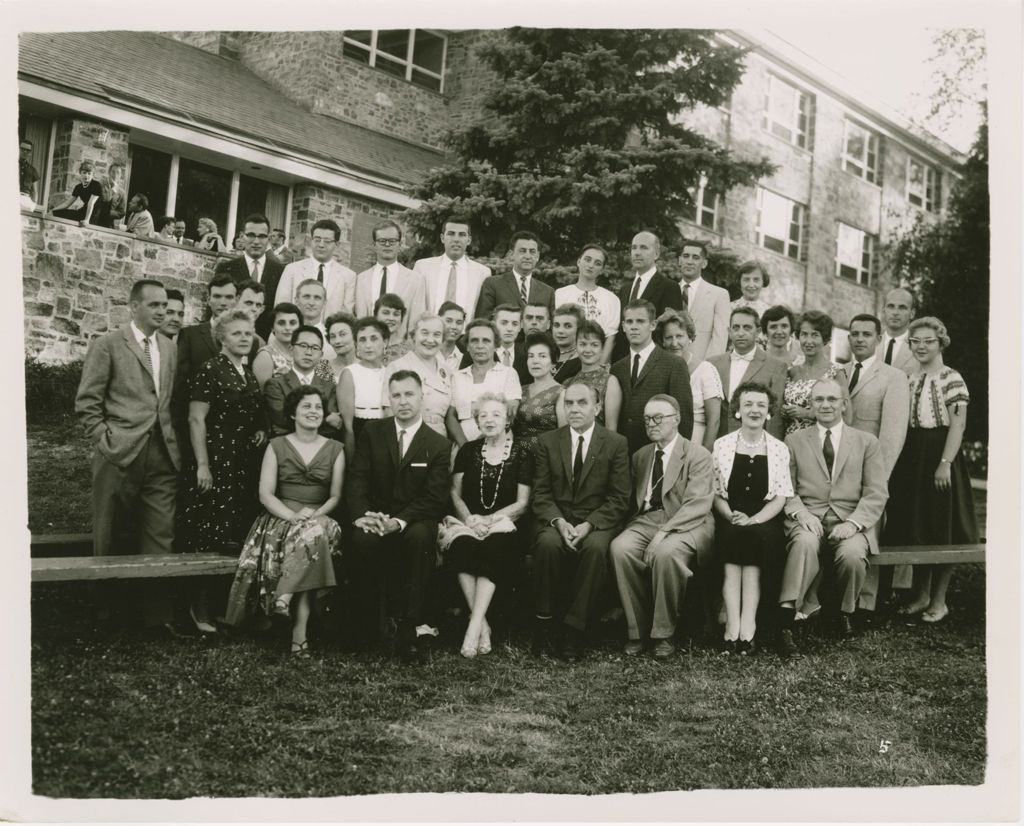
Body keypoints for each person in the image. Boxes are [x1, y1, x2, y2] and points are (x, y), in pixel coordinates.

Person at [74, 279, 180, 633]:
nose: (163, 311)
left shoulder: (169, 347)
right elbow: (88, 402)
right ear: (133, 307)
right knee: (111, 531)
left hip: (162, 454)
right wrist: (105, 440)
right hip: (119, 452)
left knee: (159, 533)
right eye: (155, 305)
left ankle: (157, 615)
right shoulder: (107, 345)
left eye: (165, 305)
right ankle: (107, 612)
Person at [225, 385, 345, 657]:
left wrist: (315, 515)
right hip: (281, 515)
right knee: (313, 540)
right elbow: (265, 495)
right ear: (292, 413)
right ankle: (299, 634)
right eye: (306, 406)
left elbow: (336, 495)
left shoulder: (336, 449)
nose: (313, 411)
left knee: (317, 533)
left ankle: (284, 597)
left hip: (319, 513)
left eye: (318, 407)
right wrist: (293, 516)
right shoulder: (276, 446)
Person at [777, 378, 888, 657]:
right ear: (811, 404)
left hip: (850, 518)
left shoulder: (866, 442)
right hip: (808, 516)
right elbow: (785, 488)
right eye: (819, 400)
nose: (825, 405)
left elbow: (876, 492)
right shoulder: (793, 441)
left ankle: (843, 612)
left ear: (843, 404)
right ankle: (787, 617)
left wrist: (852, 524)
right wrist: (801, 512)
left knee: (852, 554)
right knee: (804, 544)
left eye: (831, 399)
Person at [346, 371, 451, 658]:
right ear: (388, 399)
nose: (403, 401)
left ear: (422, 397)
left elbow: (434, 497)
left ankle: (411, 629)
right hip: (375, 515)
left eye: (409, 394)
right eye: (396, 395)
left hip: (415, 518)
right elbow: (358, 478)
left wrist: (399, 521)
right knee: (362, 540)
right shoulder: (373, 432)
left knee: (419, 539)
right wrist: (362, 515)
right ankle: (366, 630)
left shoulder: (438, 444)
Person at [883, 317, 979, 623]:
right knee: (918, 525)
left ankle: (939, 599)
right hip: (913, 455)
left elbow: (959, 424)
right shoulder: (907, 378)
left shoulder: (952, 378)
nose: (921, 347)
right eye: (916, 342)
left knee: (942, 525)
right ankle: (920, 594)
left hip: (940, 453)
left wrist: (945, 464)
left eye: (928, 341)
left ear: (941, 343)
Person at [531, 382, 631, 659]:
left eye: (582, 403)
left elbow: (619, 497)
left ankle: (573, 630)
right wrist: (559, 522)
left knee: (596, 548)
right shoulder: (548, 442)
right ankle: (544, 623)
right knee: (548, 545)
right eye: (569, 404)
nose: (574, 409)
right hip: (557, 520)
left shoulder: (615, 443)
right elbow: (540, 492)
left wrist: (589, 525)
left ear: (597, 407)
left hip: (596, 521)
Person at [610, 394, 715, 659]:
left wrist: (665, 532)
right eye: (647, 419)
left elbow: (698, 504)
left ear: (677, 419)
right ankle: (637, 629)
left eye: (658, 418)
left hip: (687, 522)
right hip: (647, 520)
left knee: (666, 554)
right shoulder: (641, 456)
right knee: (620, 548)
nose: (651, 424)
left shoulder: (698, 454)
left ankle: (663, 634)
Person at [445, 393, 533, 657]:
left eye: (496, 414)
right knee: (461, 546)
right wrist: (471, 519)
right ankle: (482, 625)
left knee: (494, 547)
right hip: (469, 521)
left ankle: (472, 626)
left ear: (508, 419)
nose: (489, 420)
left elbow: (523, 503)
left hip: (506, 523)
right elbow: (454, 493)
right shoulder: (468, 450)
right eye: (483, 415)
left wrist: (489, 520)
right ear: (477, 421)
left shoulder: (522, 452)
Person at [178, 309, 269, 558]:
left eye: (248, 333)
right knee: (210, 526)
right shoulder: (211, 369)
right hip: (216, 456)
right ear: (222, 338)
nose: (244, 338)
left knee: (234, 527)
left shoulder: (248, 375)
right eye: (236, 333)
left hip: (241, 459)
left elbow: (251, 412)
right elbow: (196, 418)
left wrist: (259, 429)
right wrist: (202, 465)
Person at [711, 383, 792, 654]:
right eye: (748, 404)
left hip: (764, 518)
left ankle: (749, 625)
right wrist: (731, 516)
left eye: (760, 405)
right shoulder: (721, 445)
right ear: (737, 410)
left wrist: (755, 520)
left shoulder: (779, 449)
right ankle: (732, 625)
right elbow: (715, 493)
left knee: (754, 539)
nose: (754, 410)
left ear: (769, 411)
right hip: (730, 515)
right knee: (735, 538)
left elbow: (780, 497)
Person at [843, 313, 911, 615]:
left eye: (866, 334)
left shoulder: (893, 377)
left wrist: (878, 477)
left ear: (879, 339)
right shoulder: (838, 373)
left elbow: (893, 433)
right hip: (838, 466)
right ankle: (837, 597)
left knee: (869, 529)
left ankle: (865, 603)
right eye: (854, 334)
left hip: (871, 469)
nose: (859, 339)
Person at [609, 300, 694, 455]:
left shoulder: (674, 364)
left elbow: (684, 418)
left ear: (653, 325)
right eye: (629, 322)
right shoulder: (617, 368)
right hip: (624, 455)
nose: (634, 326)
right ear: (623, 326)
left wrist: (677, 456)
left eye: (640, 321)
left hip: (660, 452)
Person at [173, 273, 238, 460]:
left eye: (229, 297)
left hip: (231, 427)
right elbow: (181, 383)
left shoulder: (247, 339)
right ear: (209, 300)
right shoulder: (190, 335)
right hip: (197, 424)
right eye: (217, 296)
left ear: (237, 300)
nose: (223, 302)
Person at [447, 318, 522, 447]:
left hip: (497, 443)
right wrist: (465, 446)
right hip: (462, 443)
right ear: (468, 347)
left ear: (496, 345)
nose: (480, 346)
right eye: (474, 341)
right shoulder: (457, 376)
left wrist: (485, 442)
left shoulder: (508, 373)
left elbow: (510, 413)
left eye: (486, 341)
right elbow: (450, 416)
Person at [657, 308, 723, 453]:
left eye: (679, 336)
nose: (674, 343)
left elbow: (714, 420)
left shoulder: (706, 370)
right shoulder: (659, 370)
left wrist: (703, 455)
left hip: (696, 442)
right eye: (669, 337)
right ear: (662, 341)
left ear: (690, 337)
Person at [612, 231, 683, 361]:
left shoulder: (669, 287)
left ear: (656, 253)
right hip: (622, 362)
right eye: (634, 248)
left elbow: (671, 331)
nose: (637, 252)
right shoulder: (624, 289)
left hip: (653, 363)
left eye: (644, 247)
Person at [263, 325, 342, 439]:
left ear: (321, 355)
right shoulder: (276, 385)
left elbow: (330, 430)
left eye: (315, 348)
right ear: (291, 348)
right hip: (287, 448)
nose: (308, 352)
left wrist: (291, 425)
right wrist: (327, 419)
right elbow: (281, 419)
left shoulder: (330, 387)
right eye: (303, 346)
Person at [782, 310, 852, 436]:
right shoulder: (791, 371)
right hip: (789, 441)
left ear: (824, 339)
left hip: (819, 442)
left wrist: (808, 414)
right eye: (804, 334)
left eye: (815, 335)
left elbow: (847, 417)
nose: (808, 341)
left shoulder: (835, 372)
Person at [216, 213, 285, 340]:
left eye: (262, 236)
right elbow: (216, 308)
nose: (256, 241)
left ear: (268, 239)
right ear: (242, 236)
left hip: (266, 341)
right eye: (251, 235)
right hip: (232, 339)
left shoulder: (280, 270)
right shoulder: (226, 268)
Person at [383, 313, 453, 437]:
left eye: (436, 335)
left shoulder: (447, 371)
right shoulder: (398, 366)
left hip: (440, 438)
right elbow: (388, 411)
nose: (430, 340)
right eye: (424, 333)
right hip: (409, 435)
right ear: (413, 336)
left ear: (442, 339)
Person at [355, 220, 427, 339]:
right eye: (382, 241)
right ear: (374, 245)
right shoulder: (362, 279)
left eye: (392, 241)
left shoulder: (415, 280)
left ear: (399, 244)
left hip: (400, 349)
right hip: (368, 347)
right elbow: (360, 318)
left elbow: (416, 321)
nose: (387, 245)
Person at [274, 219, 357, 320]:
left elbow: (346, 315)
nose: (321, 245)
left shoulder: (348, 276)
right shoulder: (292, 270)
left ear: (337, 244)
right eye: (317, 239)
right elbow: (281, 307)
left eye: (327, 241)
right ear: (311, 241)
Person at [414, 215, 491, 318]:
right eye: (451, 234)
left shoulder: (482, 273)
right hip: (432, 332)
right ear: (442, 238)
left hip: (465, 333)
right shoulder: (423, 267)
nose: (456, 239)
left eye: (462, 235)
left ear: (468, 240)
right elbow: (415, 306)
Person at [554, 244, 620, 364]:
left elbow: (611, 338)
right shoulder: (560, 294)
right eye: (587, 259)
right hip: (564, 361)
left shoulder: (611, 299)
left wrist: (599, 368)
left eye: (597, 263)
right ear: (579, 261)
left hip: (598, 362)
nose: (591, 265)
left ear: (602, 270)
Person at [337, 317, 389, 458]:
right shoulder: (350, 373)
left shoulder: (391, 373)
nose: (368, 345)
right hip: (360, 436)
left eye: (374, 339)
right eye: (362, 340)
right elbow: (348, 427)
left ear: (385, 342)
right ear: (356, 345)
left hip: (386, 438)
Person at [555, 320, 621, 430]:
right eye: (583, 344)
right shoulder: (568, 383)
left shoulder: (610, 381)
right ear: (576, 346)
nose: (588, 350)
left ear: (602, 348)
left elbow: (611, 429)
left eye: (594, 345)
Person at [476, 230, 555, 321]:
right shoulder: (493, 284)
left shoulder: (548, 292)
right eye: (523, 251)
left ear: (537, 256)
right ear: (511, 254)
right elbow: (483, 321)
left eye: (532, 252)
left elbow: (551, 326)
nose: (528, 256)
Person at [252, 302, 333, 389]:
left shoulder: (308, 352)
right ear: (272, 328)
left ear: (300, 326)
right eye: (281, 323)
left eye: (292, 323)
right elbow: (263, 395)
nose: (287, 327)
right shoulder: (266, 356)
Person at [676, 239, 731, 362]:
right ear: (680, 261)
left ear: (704, 263)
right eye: (686, 256)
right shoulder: (670, 291)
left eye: (695, 257)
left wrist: (706, 369)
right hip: (669, 365)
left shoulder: (719, 295)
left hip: (700, 365)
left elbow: (719, 339)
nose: (689, 261)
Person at [512, 333, 562, 453]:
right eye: (531, 356)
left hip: (544, 458)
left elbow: (564, 437)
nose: (535, 361)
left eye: (542, 356)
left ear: (553, 362)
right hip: (515, 457)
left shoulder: (562, 393)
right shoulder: (520, 390)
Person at [293, 279, 337, 360]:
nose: (311, 303)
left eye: (317, 298)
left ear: (324, 303)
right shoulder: (286, 332)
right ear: (296, 301)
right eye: (306, 297)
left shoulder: (331, 338)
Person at [877, 287, 918, 374]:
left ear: (912, 314)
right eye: (891, 306)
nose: (895, 312)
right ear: (883, 311)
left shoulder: (920, 347)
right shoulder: (872, 344)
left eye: (902, 307)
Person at [51, 161, 103, 226]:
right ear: (80, 173)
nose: (86, 175)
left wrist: (86, 220)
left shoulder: (96, 185)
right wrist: (53, 211)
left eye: (89, 173)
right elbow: (67, 204)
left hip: (95, 215)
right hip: (83, 212)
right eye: (84, 173)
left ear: (92, 175)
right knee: (57, 213)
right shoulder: (78, 187)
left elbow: (91, 204)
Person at [490, 303, 530, 386]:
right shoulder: (478, 353)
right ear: (493, 325)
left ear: (520, 326)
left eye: (515, 324)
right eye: (504, 323)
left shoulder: (528, 356)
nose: (509, 329)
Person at [550, 303, 584, 383]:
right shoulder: (544, 353)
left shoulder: (583, 362)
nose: (560, 331)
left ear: (579, 329)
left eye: (568, 326)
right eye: (556, 325)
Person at [325, 311, 357, 381]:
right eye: (333, 336)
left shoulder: (368, 366)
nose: (337, 341)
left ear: (355, 335)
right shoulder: (323, 368)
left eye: (342, 334)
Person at [95, 162, 126, 230]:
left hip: (108, 224)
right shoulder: (100, 185)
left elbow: (122, 212)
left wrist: (109, 213)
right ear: (109, 172)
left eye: (118, 173)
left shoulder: (122, 193)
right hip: (95, 220)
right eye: (113, 172)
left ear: (120, 176)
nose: (115, 175)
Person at [438, 301, 466, 375]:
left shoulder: (463, 360)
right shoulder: (427, 352)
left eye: (459, 322)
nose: (454, 327)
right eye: (449, 321)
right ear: (438, 320)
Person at [19, 138, 40, 210]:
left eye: (27, 150)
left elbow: (35, 190)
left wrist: (34, 204)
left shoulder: (33, 170)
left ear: (30, 153)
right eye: (22, 149)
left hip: (25, 200)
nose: (25, 151)